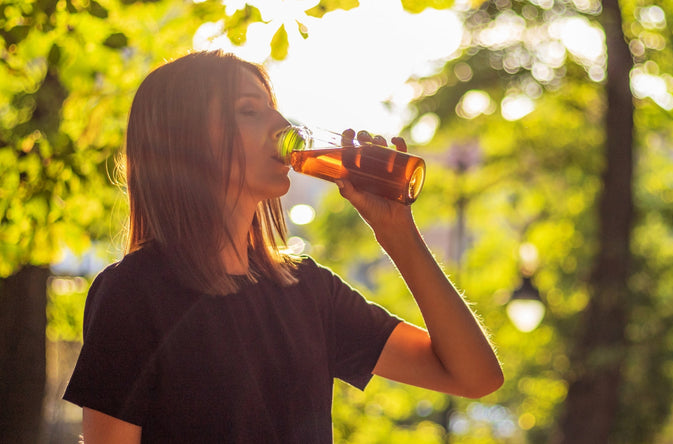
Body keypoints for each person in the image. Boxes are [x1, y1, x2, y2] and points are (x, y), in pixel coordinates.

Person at [63, 50, 503, 443]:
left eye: (273, 108)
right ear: (185, 139)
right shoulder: (133, 293)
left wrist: (398, 234)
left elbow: (475, 376)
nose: (283, 125)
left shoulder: (308, 290)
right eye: (249, 111)